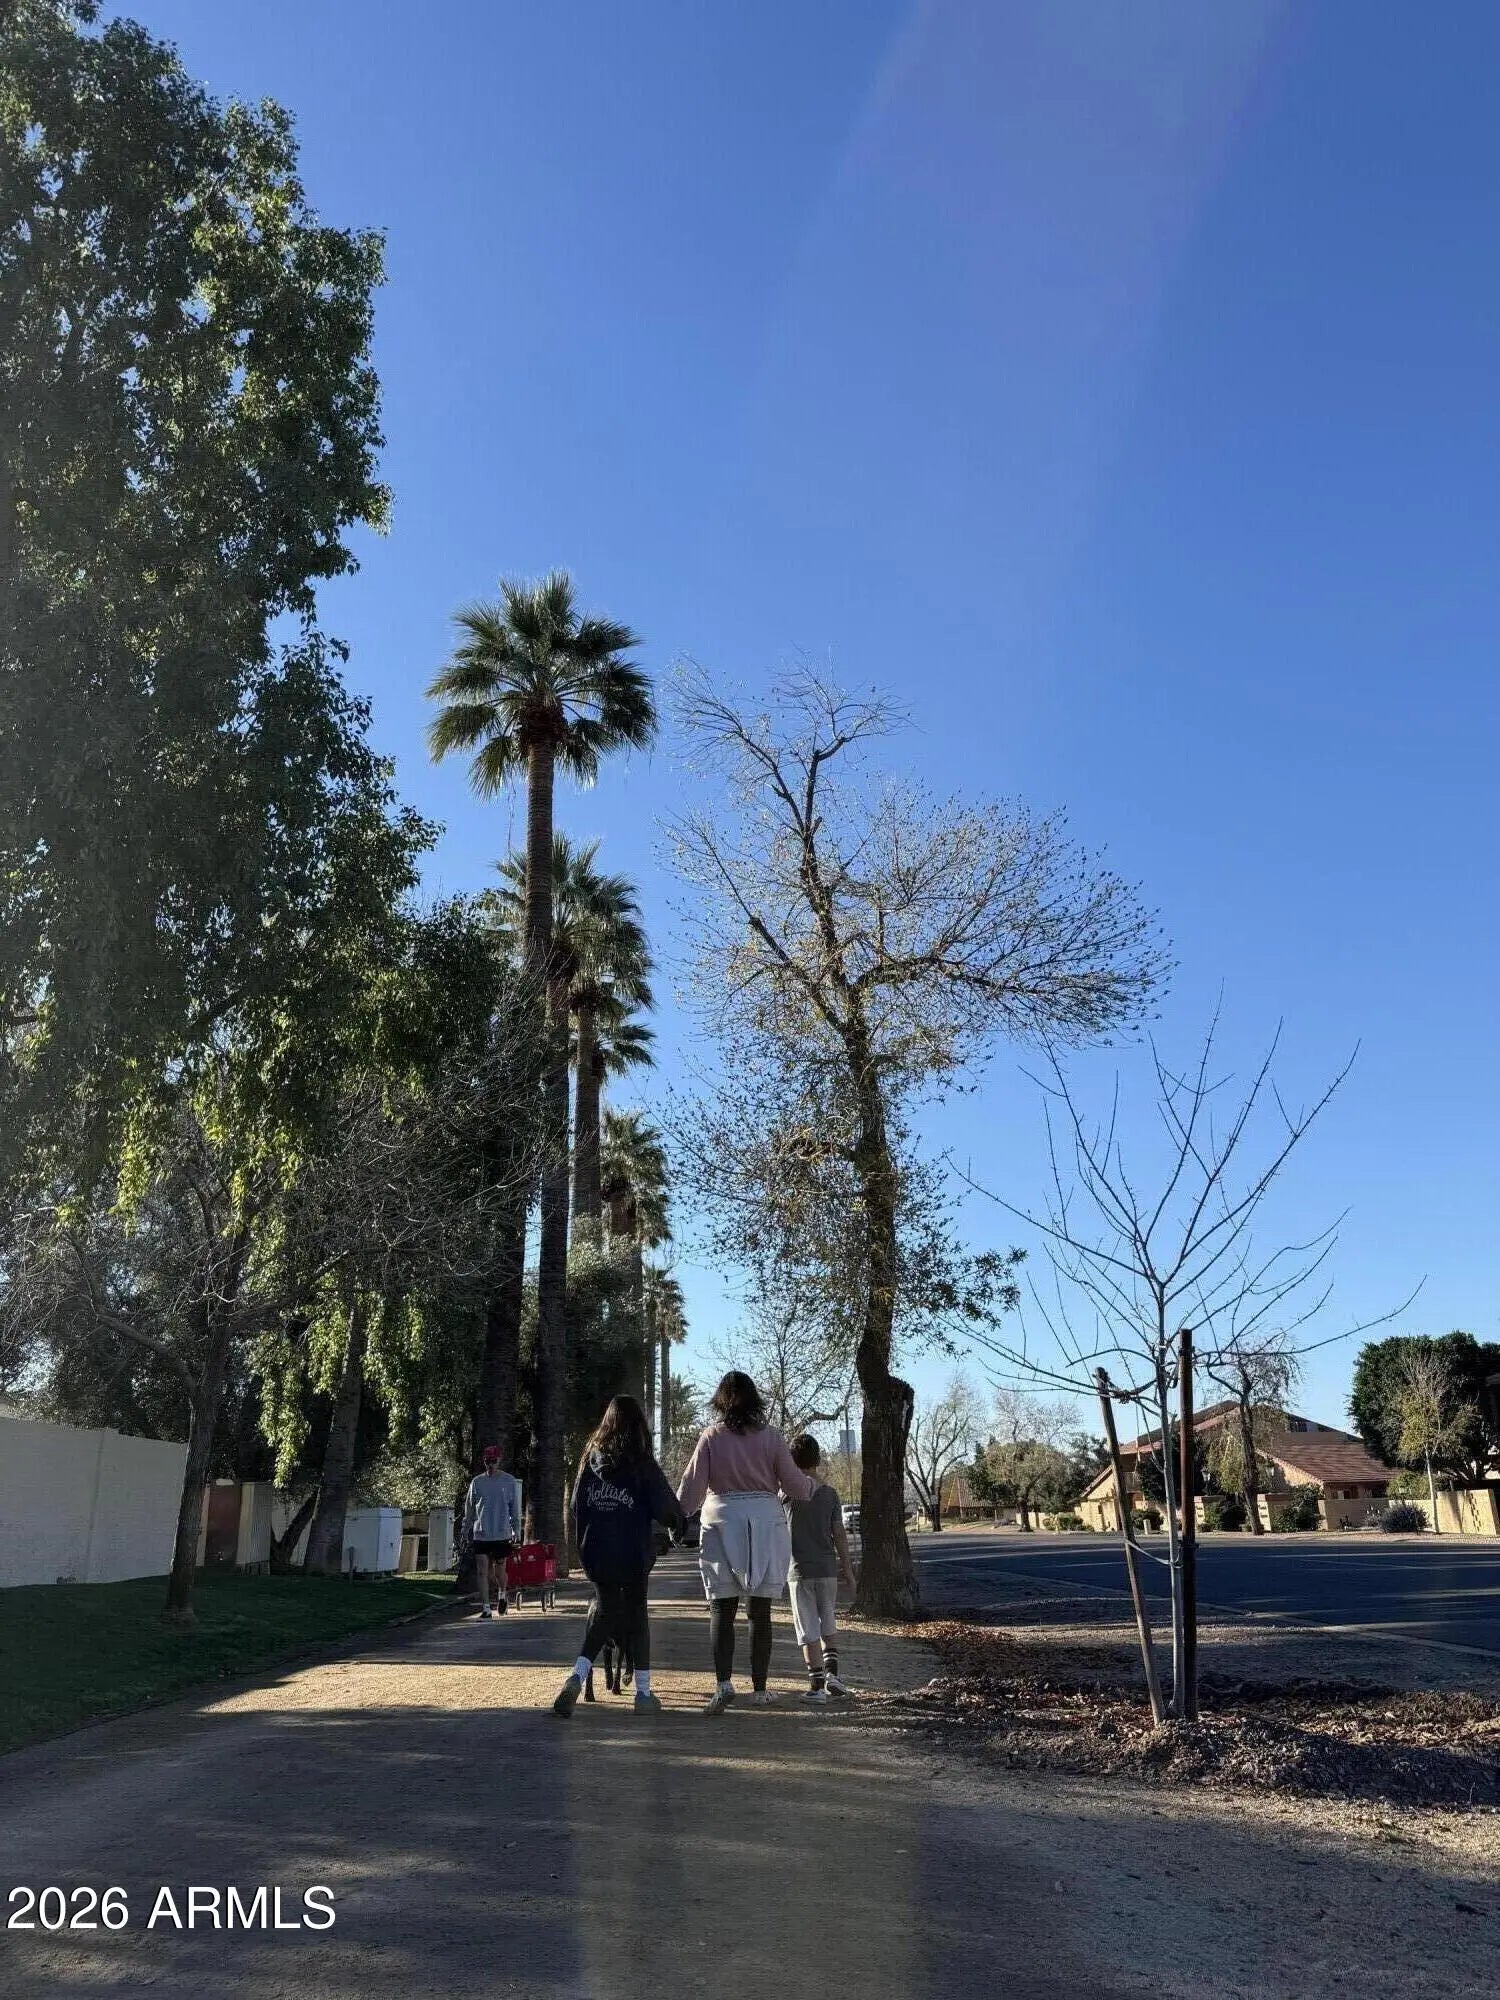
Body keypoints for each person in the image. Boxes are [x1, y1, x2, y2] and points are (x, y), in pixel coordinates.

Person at [676, 1370, 816, 1714]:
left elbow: (691, 1491)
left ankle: (723, 1685)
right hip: (765, 1521)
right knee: (759, 1611)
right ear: (755, 1400)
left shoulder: (711, 1437)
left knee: (721, 1608)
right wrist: (812, 1486)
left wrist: (675, 1520)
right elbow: (796, 1486)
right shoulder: (771, 1437)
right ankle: (760, 1690)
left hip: (720, 1519)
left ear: (719, 1401)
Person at [553, 1395, 683, 1718]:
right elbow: (665, 1506)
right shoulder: (640, 1460)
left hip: (597, 1552)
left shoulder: (590, 1458)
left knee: (605, 1613)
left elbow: (575, 1506)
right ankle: (643, 1693)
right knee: (637, 1615)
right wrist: (677, 1523)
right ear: (638, 1424)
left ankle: (576, 1678)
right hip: (632, 1552)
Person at [784, 1434, 856, 1702]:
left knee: (807, 1630)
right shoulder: (830, 1494)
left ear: (792, 1461)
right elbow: (840, 1534)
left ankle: (815, 1686)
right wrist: (848, 1570)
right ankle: (833, 1676)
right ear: (818, 1459)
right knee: (828, 1621)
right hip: (827, 1569)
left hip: (799, 1570)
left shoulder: (786, 1495)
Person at [463, 1445, 522, 1618]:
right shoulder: (477, 1482)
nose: (490, 1465)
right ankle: (486, 1608)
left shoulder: (509, 1481)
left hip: (501, 1533)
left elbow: (514, 1508)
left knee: (498, 1572)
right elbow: (469, 1509)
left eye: (493, 1461)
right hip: (481, 1533)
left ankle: (502, 1593)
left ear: (499, 1460)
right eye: (487, 1461)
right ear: (484, 1461)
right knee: (482, 1571)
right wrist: (465, 1530)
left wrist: (516, 1530)